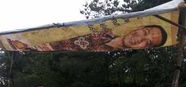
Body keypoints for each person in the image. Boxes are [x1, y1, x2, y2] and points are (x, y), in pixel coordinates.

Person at [34, 25, 167, 51]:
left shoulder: (108, 48)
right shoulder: (104, 29)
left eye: (147, 42)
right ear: (139, 27)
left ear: (145, 47)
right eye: (145, 32)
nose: (140, 39)